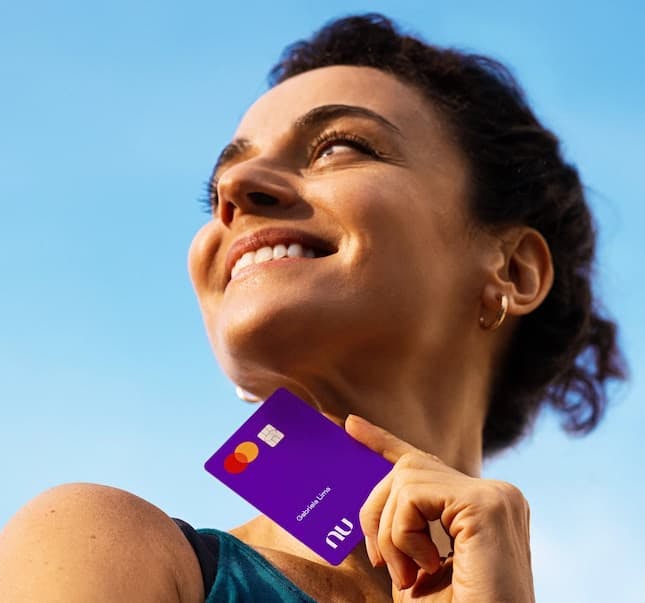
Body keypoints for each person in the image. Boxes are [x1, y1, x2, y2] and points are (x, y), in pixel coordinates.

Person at [0, 13, 625, 602]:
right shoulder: (103, 544)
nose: (234, 192)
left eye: (338, 148)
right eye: (217, 184)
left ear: (513, 270)